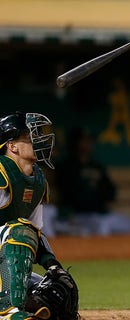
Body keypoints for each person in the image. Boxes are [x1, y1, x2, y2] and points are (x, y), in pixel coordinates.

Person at [0, 111, 74, 319]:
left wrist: (52, 265)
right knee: (18, 230)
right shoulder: (1, 173)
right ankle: (8, 313)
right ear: (12, 145)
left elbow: (35, 232)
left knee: (50, 292)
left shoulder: (38, 180)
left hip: (2, 256)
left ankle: (19, 307)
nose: (38, 140)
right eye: (30, 137)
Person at [54, 126, 130, 236]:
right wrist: (94, 196)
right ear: (74, 142)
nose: (88, 144)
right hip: (81, 216)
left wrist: (94, 196)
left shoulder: (97, 166)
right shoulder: (66, 167)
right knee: (101, 228)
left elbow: (111, 192)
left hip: (104, 214)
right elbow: (73, 196)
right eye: (84, 140)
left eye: (90, 140)